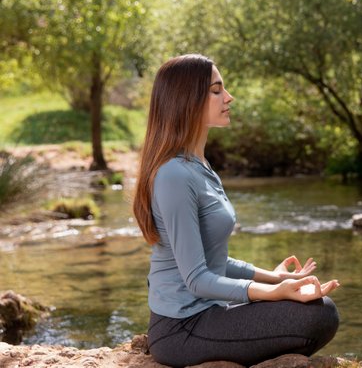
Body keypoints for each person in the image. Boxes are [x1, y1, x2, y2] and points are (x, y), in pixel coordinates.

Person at [132, 54, 340, 367]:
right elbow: (197, 279)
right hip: (181, 329)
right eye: (216, 91)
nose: (229, 97)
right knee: (321, 314)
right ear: (187, 100)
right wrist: (274, 293)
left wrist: (273, 277)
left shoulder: (200, 167)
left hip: (210, 313)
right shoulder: (174, 175)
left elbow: (213, 259)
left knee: (320, 308)